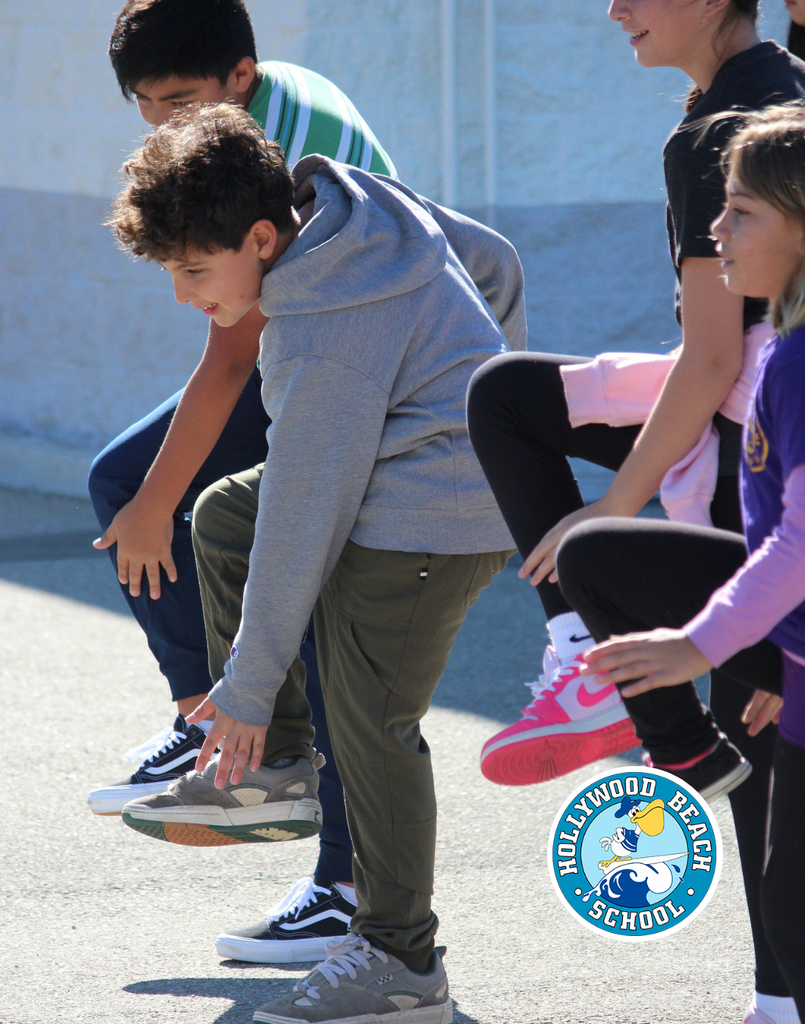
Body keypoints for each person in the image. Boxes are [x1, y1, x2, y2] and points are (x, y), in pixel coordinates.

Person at [108, 102, 523, 1024]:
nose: (184, 295)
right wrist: (492, 380)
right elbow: (493, 257)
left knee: (370, 718)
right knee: (222, 514)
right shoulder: (350, 201)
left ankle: (400, 960)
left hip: (436, 513)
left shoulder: (318, 329)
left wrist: (246, 688)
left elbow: (304, 516)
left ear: (260, 237)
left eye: (192, 270)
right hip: (416, 461)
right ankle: (284, 760)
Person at [466, 2, 804, 1021]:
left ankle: (604, 665)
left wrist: (614, 507)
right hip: (741, 418)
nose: (613, 7)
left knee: (764, 745)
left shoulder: (727, 139)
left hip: (752, 434)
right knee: (512, 397)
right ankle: (592, 656)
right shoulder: (764, 91)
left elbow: (711, 360)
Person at [85, 0, 396, 963]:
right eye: (144, 104)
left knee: (324, 629)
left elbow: (231, 358)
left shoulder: (275, 153)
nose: (163, 124)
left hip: (370, 377)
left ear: (242, 78)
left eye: (179, 99)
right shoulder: (254, 116)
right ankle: (212, 719)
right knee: (137, 485)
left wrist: (152, 507)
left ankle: (325, 849)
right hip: (330, 358)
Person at [557, 102, 805, 1023]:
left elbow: (799, 542)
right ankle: (692, 753)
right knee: (787, 909)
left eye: (740, 211)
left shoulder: (798, 364)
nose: (715, 228)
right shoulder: (780, 347)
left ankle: (686, 748)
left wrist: (699, 648)